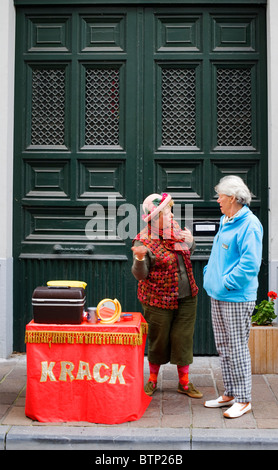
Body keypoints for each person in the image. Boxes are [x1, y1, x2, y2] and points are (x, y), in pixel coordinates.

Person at [131, 192, 202, 398]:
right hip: (158, 299)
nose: (172, 216)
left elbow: (189, 253)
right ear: (155, 218)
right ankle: (153, 380)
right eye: (167, 212)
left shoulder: (177, 230)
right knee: (158, 340)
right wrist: (139, 258)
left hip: (187, 296)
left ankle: (184, 383)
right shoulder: (143, 240)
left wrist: (191, 242)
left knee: (183, 338)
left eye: (171, 211)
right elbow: (140, 275)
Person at [203, 175, 263, 418]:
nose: (217, 200)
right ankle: (230, 393)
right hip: (217, 294)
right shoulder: (226, 219)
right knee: (224, 347)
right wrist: (210, 276)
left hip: (236, 296)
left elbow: (250, 264)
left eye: (221, 196)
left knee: (237, 348)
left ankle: (244, 399)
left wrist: (226, 283)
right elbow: (218, 255)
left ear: (233, 198)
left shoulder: (250, 224)